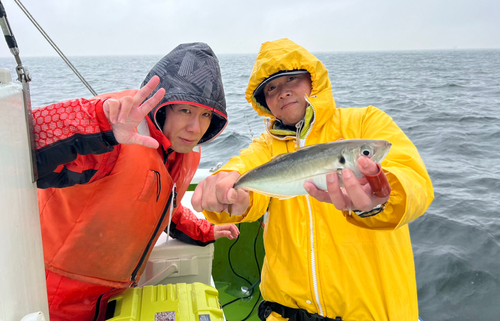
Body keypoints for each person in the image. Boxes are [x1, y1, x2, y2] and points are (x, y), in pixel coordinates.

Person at [191, 38, 434, 321]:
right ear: (264, 102)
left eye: (292, 79)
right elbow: (243, 166)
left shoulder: (366, 122)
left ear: (312, 81)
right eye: (271, 88)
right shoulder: (266, 147)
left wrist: (383, 198)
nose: (283, 92)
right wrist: (230, 194)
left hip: (374, 312)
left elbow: (414, 178)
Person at [34, 42, 240, 321]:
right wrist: (99, 126)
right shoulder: (115, 139)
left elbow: (164, 203)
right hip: (55, 295)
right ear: (163, 107)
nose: (196, 128)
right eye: (185, 111)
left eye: (205, 115)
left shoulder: (180, 151)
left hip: (113, 296)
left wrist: (204, 230)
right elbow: (28, 147)